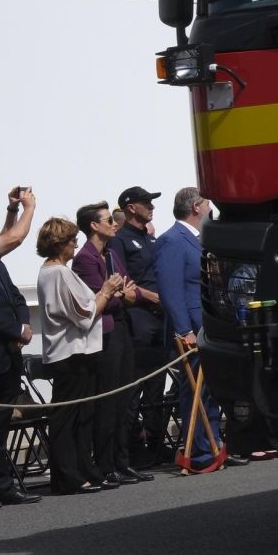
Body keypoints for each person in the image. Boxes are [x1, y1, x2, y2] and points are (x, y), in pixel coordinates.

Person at [154, 188, 246, 468]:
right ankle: (200, 449)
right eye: (207, 204)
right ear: (196, 207)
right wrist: (183, 329)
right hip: (192, 327)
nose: (210, 209)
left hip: (210, 324)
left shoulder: (198, 239)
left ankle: (215, 442)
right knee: (194, 389)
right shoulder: (172, 240)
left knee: (212, 388)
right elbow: (171, 290)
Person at [36, 216, 126, 494]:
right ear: (60, 243)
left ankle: (81, 470)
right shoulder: (59, 273)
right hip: (70, 353)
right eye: (72, 240)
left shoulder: (50, 271)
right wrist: (108, 291)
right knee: (68, 417)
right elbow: (85, 314)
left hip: (72, 353)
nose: (76, 245)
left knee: (79, 416)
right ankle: (68, 476)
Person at [74, 203, 151, 484]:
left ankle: (123, 460)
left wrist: (121, 293)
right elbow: (98, 298)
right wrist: (119, 294)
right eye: (108, 220)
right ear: (94, 225)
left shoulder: (113, 254)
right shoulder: (84, 259)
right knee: (108, 400)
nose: (114, 224)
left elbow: (128, 287)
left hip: (122, 329)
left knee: (126, 397)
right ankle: (106, 465)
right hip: (105, 334)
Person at [113, 186, 173, 465]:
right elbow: (122, 282)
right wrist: (153, 297)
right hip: (139, 317)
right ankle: (132, 450)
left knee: (156, 387)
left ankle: (157, 446)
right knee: (133, 388)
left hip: (160, 320)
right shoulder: (120, 240)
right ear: (130, 208)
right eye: (145, 202)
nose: (151, 206)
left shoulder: (151, 239)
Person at [0, 186, 43, 507]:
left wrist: (25, 325)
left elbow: (13, 296)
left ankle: (1, 487)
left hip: (8, 356)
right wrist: (29, 208)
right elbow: (15, 238)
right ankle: (1, 486)